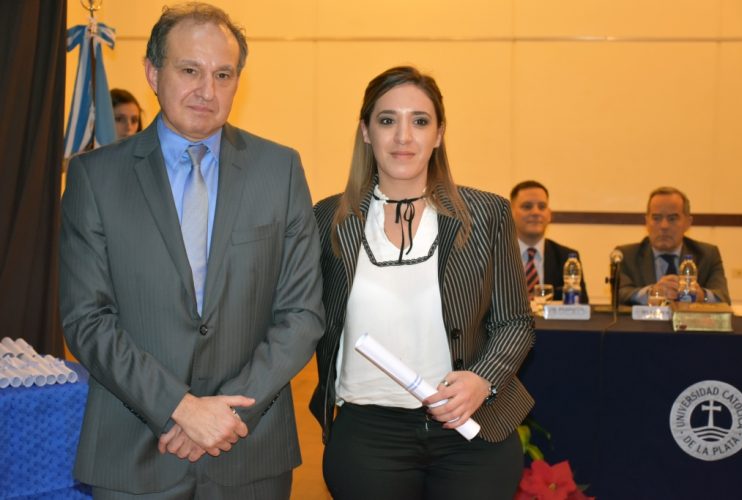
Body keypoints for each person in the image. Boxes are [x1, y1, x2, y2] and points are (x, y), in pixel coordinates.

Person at [59, 3, 324, 498]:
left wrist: (224, 415)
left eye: (223, 74)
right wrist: (179, 408)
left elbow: (302, 314)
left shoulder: (280, 171)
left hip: (248, 450)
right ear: (152, 72)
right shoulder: (95, 177)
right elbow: (86, 319)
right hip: (134, 452)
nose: (207, 90)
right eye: (189, 70)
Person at [309, 66, 535, 500]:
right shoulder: (328, 219)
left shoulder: (486, 213)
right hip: (367, 437)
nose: (403, 137)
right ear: (366, 132)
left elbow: (515, 322)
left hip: (471, 431)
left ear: (439, 134)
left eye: (419, 121)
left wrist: (482, 380)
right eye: (387, 120)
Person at [616, 186, 731, 305]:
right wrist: (652, 293)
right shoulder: (626, 255)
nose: (664, 226)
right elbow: (619, 294)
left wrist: (703, 296)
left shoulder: (707, 255)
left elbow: (723, 297)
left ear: (688, 223)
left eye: (672, 219)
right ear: (647, 222)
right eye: (656, 218)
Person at [510, 180, 589, 303]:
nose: (536, 212)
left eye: (542, 207)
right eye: (527, 206)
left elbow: (581, 306)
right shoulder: (494, 256)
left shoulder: (566, 258)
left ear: (549, 214)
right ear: (511, 213)